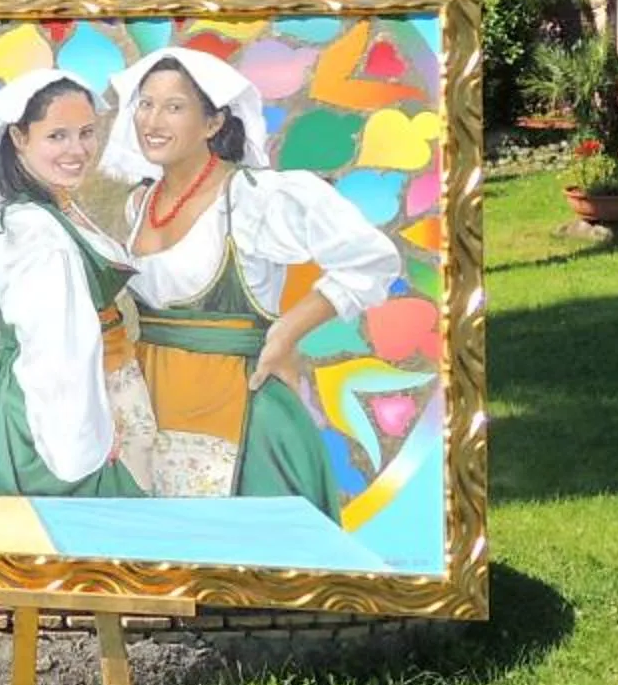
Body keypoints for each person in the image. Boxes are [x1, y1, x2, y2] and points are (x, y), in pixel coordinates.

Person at [102, 47, 401, 513]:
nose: (153, 121)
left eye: (174, 107)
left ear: (213, 123)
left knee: (233, 547)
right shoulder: (139, 205)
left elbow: (371, 259)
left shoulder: (254, 199)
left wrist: (287, 331)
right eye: (146, 104)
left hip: (237, 410)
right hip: (149, 408)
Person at [0, 70, 146, 499]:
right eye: (57, 136)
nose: (77, 150)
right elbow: (53, 351)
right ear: (19, 137)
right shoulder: (34, 230)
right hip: (54, 414)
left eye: (86, 133)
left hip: (84, 388)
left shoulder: (50, 208)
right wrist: (84, 438)